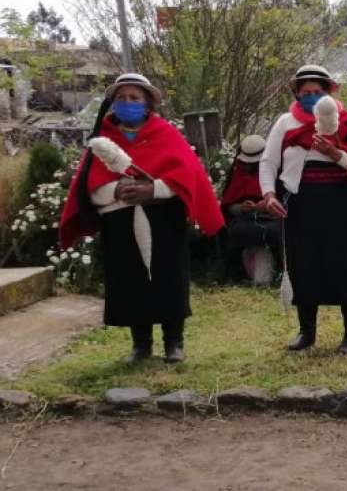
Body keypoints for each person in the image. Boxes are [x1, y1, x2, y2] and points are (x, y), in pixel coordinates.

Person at [59, 73, 224, 363]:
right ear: (113, 104)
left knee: (169, 279)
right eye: (121, 98)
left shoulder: (166, 134)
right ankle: (141, 344)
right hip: (120, 224)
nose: (128, 102)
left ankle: (174, 342)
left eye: (134, 98)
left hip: (164, 220)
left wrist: (152, 189)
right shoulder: (102, 140)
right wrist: (115, 190)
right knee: (131, 281)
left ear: (147, 104)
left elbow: (186, 175)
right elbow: (88, 185)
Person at [260, 65, 347, 355]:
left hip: (338, 203)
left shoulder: (345, 122)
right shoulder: (285, 123)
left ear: (328, 92)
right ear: (297, 94)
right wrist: (268, 194)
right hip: (299, 204)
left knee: (344, 264)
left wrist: (334, 153)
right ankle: (306, 332)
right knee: (303, 264)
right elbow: (269, 161)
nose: (312, 97)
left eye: (317, 92)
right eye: (306, 92)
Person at [219, 135, 281, 284]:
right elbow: (227, 206)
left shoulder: (277, 171)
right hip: (244, 220)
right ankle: (237, 273)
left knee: (277, 232)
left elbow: (286, 199)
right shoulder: (237, 172)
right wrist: (241, 208)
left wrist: (268, 206)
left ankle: (278, 271)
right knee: (236, 232)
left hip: (273, 219)